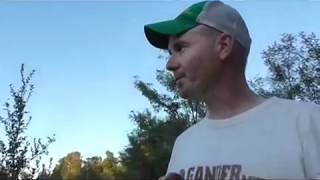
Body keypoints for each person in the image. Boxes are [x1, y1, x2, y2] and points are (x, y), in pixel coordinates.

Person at [144, 1, 320, 180]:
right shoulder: (183, 144)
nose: (170, 65)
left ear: (224, 46)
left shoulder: (307, 121)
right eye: (169, 53)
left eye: (180, 48)